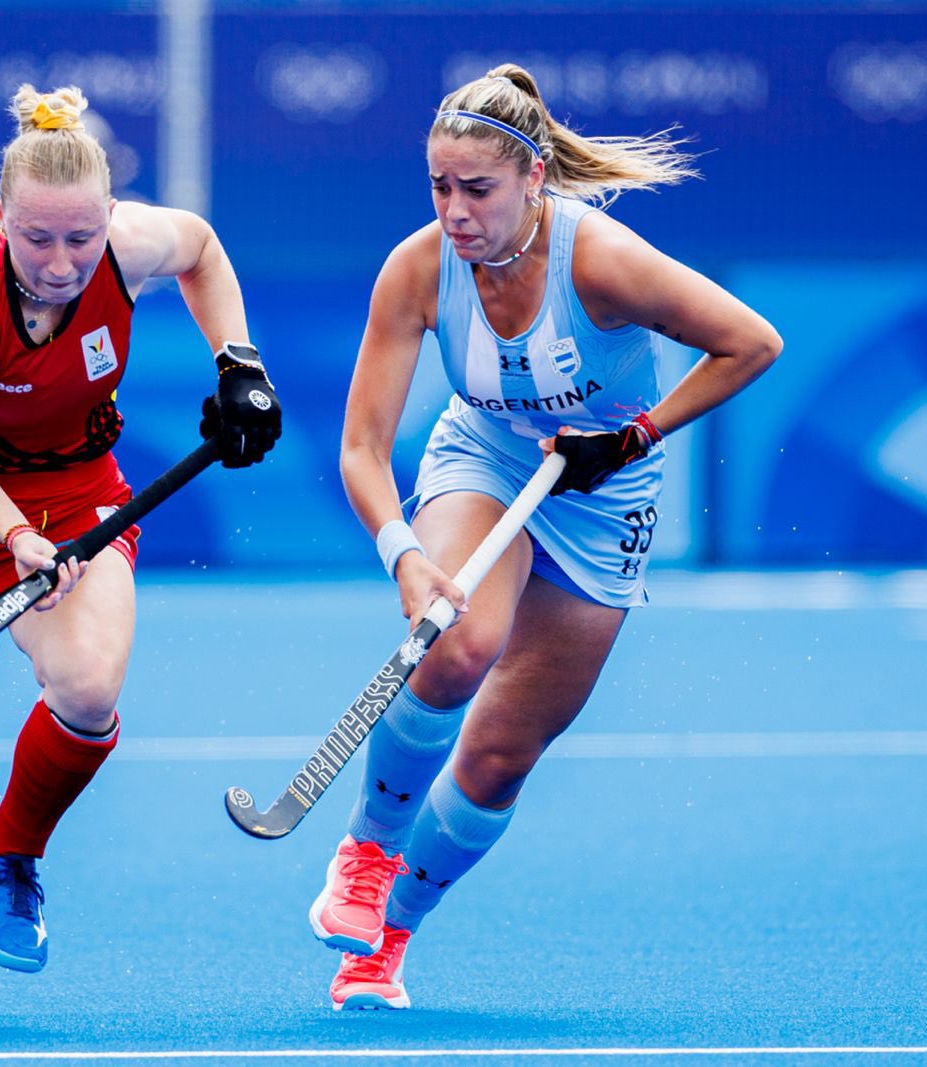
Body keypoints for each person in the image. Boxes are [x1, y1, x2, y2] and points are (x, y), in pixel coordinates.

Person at [306, 64, 781, 1011]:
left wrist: (633, 436)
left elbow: (752, 343)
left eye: (477, 189)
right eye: (439, 186)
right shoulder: (417, 269)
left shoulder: (602, 261)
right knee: (458, 642)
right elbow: (361, 447)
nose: (455, 212)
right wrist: (404, 553)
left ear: (533, 179)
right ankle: (366, 854)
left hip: (605, 491)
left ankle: (388, 937)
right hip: (485, 456)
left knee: (498, 758)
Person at [0, 84, 281, 1037]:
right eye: (37, 238)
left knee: (87, 688)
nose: (59, 262)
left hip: (79, 495)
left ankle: (10, 854)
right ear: (1, 217)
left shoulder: (128, 247)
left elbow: (203, 249)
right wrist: (15, 538)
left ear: (108, 217)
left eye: (81, 238)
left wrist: (238, 362)